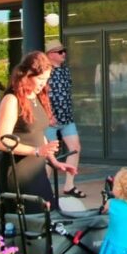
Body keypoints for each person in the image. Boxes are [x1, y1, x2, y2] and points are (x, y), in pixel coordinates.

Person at [0, 51, 75, 205]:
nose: (43, 84)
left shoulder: (37, 97)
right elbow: (1, 141)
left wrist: (54, 161)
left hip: (37, 171)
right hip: (19, 174)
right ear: (27, 75)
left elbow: (38, 134)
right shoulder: (12, 99)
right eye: (40, 79)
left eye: (46, 79)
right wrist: (35, 151)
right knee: (30, 217)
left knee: (47, 213)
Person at [44, 40, 84, 198]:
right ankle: (44, 188)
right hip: (49, 120)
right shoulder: (43, 71)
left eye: (64, 51)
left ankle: (69, 185)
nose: (64, 54)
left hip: (67, 117)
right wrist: (48, 114)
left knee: (75, 148)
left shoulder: (65, 70)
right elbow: (40, 94)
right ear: (50, 54)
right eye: (60, 52)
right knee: (50, 153)